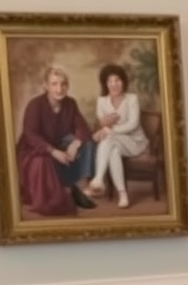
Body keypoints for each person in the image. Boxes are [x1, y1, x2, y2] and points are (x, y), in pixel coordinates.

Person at [15, 65, 97, 216]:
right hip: (34, 150)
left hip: (58, 144)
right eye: (54, 84)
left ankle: (76, 185)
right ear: (46, 86)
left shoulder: (70, 103)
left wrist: (76, 143)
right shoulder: (35, 105)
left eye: (63, 84)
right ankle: (66, 192)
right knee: (42, 162)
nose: (59, 89)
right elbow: (30, 135)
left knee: (87, 143)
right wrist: (53, 152)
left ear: (68, 86)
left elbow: (83, 127)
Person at [89, 63, 149, 210]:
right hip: (115, 142)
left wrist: (109, 130)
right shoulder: (101, 101)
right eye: (110, 81)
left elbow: (133, 124)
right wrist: (105, 130)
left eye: (118, 80)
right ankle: (123, 194)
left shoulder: (132, 99)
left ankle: (98, 179)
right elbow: (103, 124)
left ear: (123, 82)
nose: (114, 84)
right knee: (113, 150)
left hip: (135, 142)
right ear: (105, 83)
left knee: (108, 138)